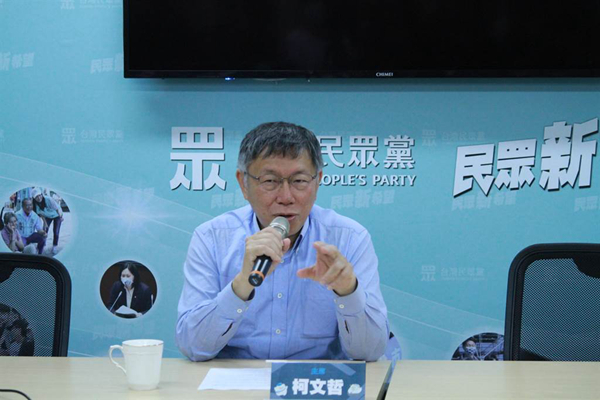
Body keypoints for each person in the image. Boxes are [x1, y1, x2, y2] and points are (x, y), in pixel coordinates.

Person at [176, 121, 389, 362]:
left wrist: (348, 291)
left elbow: (370, 352)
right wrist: (242, 284)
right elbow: (193, 346)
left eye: (299, 181)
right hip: (236, 380)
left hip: (316, 380)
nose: (286, 197)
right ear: (243, 184)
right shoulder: (212, 238)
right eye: (270, 181)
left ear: (317, 181)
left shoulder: (349, 238)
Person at [32, 188, 63, 255]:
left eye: (39, 195)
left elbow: (57, 209)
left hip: (57, 215)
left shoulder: (48, 199)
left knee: (56, 231)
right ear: (34, 198)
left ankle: (54, 246)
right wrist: (45, 223)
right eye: (36, 197)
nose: (39, 198)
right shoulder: (35, 204)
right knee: (44, 230)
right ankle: (41, 245)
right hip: (47, 216)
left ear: (42, 194)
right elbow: (41, 214)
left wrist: (61, 217)